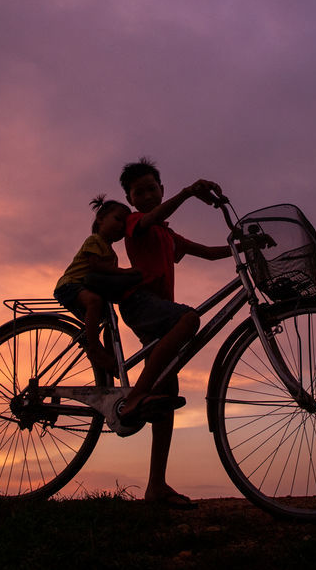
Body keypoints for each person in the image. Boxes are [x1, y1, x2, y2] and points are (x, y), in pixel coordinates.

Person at [116, 157, 232, 509]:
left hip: (160, 316)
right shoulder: (136, 222)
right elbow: (151, 217)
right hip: (141, 304)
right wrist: (187, 193)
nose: (148, 195)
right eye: (140, 192)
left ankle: (156, 487)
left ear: (160, 189)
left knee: (167, 395)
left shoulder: (168, 235)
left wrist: (244, 247)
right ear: (132, 200)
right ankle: (135, 395)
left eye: (153, 189)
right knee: (189, 319)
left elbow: (209, 253)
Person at [53, 195, 142, 377]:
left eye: (124, 225)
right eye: (117, 219)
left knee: (111, 319)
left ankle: (110, 357)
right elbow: (95, 265)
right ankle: (94, 348)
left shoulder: (111, 253)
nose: (120, 226)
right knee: (94, 301)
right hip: (71, 284)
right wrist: (125, 272)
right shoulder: (94, 240)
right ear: (100, 219)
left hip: (86, 288)